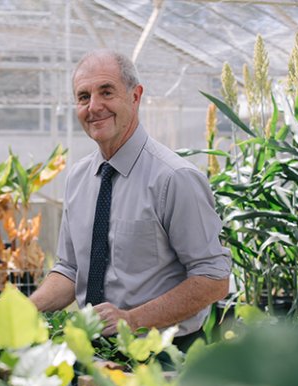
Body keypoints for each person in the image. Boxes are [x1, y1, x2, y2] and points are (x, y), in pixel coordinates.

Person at [30, 49, 231, 350]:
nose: (94, 106)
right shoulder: (78, 178)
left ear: (135, 96)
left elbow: (214, 279)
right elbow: (70, 269)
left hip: (165, 355)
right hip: (95, 353)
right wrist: (23, 311)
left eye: (106, 92)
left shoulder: (174, 178)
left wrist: (132, 319)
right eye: (83, 97)